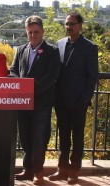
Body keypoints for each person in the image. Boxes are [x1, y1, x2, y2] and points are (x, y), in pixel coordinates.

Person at [48, 11, 98, 184]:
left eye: (72, 24)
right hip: (61, 101)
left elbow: (93, 76)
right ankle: (62, 170)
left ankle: (74, 172)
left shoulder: (90, 47)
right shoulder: (59, 44)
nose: (68, 27)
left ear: (80, 25)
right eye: (67, 24)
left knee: (77, 138)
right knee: (63, 138)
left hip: (79, 102)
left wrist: (85, 98)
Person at [10, 16, 60, 185]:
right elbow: (13, 71)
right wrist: (19, 85)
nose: (33, 35)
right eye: (30, 32)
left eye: (36, 32)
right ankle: (28, 170)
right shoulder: (21, 50)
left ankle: (38, 172)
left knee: (39, 138)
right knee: (25, 137)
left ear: (42, 31)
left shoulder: (52, 51)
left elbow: (51, 76)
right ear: (26, 32)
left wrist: (31, 90)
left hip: (41, 103)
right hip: (22, 103)